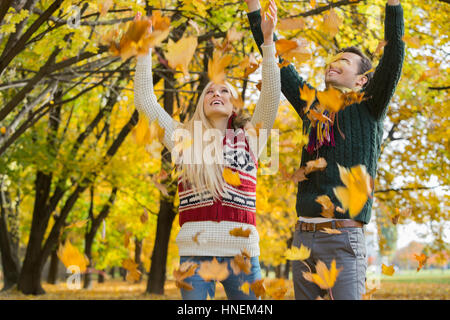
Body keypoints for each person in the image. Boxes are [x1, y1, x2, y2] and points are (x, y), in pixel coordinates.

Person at [244, 0, 405, 299]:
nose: (333, 62)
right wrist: (258, 17)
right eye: (332, 59)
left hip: (342, 238)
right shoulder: (312, 106)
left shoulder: (370, 106)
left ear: (361, 79)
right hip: (303, 238)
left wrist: (393, 5)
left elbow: (394, 54)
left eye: (343, 60)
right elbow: (279, 63)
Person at [133, 4, 280, 300]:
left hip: (242, 255)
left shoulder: (250, 138)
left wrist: (268, 43)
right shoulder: (184, 138)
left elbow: (271, 95)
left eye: (224, 91)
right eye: (210, 91)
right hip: (195, 256)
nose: (216, 93)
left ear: (234, 106)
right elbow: (146, 103)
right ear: (201, 103)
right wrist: (144, 50)